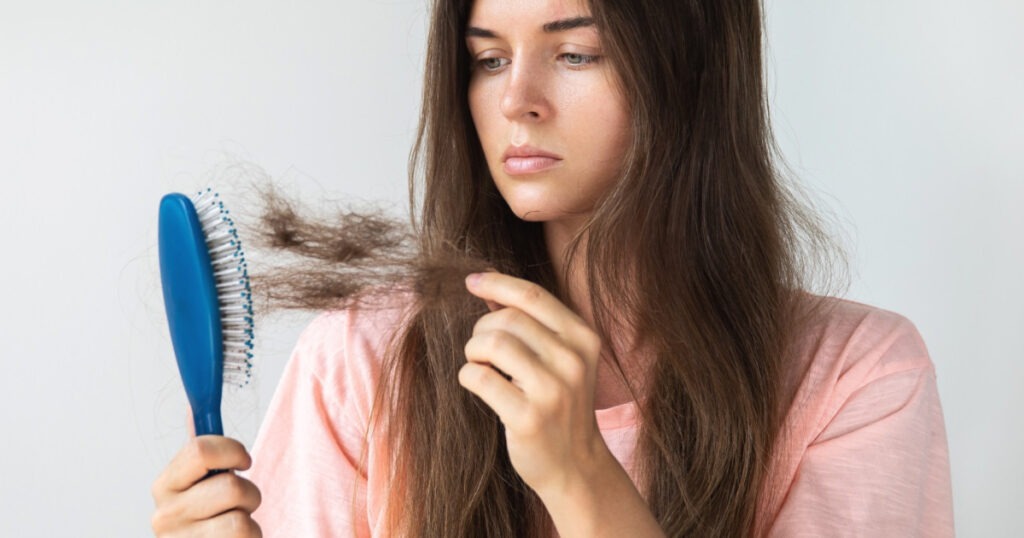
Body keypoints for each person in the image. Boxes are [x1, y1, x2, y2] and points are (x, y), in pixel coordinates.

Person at [150, 0, 955, 536]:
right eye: (488, 59)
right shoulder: (364, 358)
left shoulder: (857, 378)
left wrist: (581, 477)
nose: (517, 101)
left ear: (692, 73)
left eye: (575, 53)